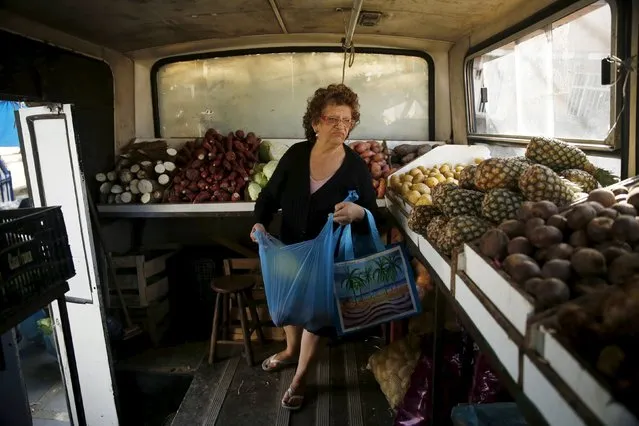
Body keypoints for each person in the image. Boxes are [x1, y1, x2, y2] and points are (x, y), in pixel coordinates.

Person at [250, 83, 380, 410]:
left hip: (328, 254)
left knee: (318, 314)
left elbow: (372, 210)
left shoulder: (354, 166)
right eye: (332, 118)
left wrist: (358, 212)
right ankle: (291, 350)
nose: (340, 126)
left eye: (347, 121)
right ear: (315, 123)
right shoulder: (296, 155)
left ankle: (301, 377)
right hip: (291, 242)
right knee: (291, 299)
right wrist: (259, 222)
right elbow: (268, 196)